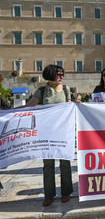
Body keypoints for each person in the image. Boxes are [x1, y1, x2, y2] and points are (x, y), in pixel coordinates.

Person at [25, 64, 73, 206]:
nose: (62, 76)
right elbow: (29, 106)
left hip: (63, 131)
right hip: (46, 131)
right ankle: (49, 194)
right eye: (59, 74)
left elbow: (69, 107)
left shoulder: (66, 89)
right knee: (48, 164)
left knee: (65, 162)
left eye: (62, 74)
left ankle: (66, 192)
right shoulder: (42, 90)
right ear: (51, 75)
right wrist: (8, 112)